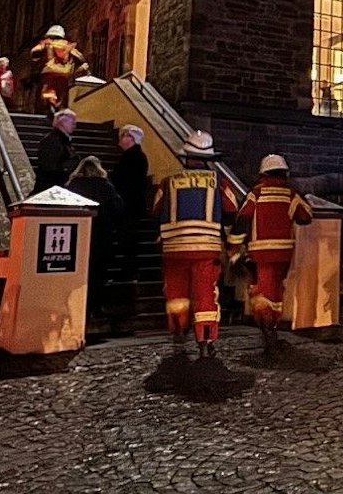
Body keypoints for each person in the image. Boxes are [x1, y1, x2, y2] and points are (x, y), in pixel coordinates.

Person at [158, 130, 238, 357]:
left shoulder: (168, 182)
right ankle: (205, 341)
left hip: (174, 248)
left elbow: (154, 209)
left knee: (176, 292)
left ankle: (178, 330)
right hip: (206, 248)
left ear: (186, 157)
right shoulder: (219, 182)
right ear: (208, 159)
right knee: (205, 294)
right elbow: (232, 208)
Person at [233, 153, 314, 351]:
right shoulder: (290, 193)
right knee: (277, 290)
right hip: (284, 253)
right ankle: (272, 327)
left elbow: (242, 219)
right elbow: (305, 216)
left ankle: (267, 327)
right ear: (284, 173)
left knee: (262, 290)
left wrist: (233, 249)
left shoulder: (256, 193)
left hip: (260, 253)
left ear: (263, 173)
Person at [63, 156, 125, 323]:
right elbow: (118, 208)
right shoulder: (106, 186)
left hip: (78, 237)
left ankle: (76, 307)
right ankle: (96, 307)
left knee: (78, 273)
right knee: (99, 274)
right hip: (101, 236)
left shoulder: (72, 186)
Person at [28, 25, 90, 112]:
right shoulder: (67, 45)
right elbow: (80, 57)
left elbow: (34, 52)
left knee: (47, 90)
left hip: (49, 72)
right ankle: (59, 108)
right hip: (64, 74)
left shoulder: (47, 43)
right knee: (62, 93)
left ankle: (50, 103)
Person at [111, 125, 153, 224]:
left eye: (124, 135)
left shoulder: (131, 157)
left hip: (128, 202)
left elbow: (125, 180)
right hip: (133, 202)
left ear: (131, 138)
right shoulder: (136, 155)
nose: (120, 138)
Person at [34, 110, 78, 193]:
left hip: (55, 186)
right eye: (72, 123)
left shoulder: (62, 140)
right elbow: (48, 166)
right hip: (51, 187)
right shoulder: (53, 141)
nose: (74, 126)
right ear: (63, 123)